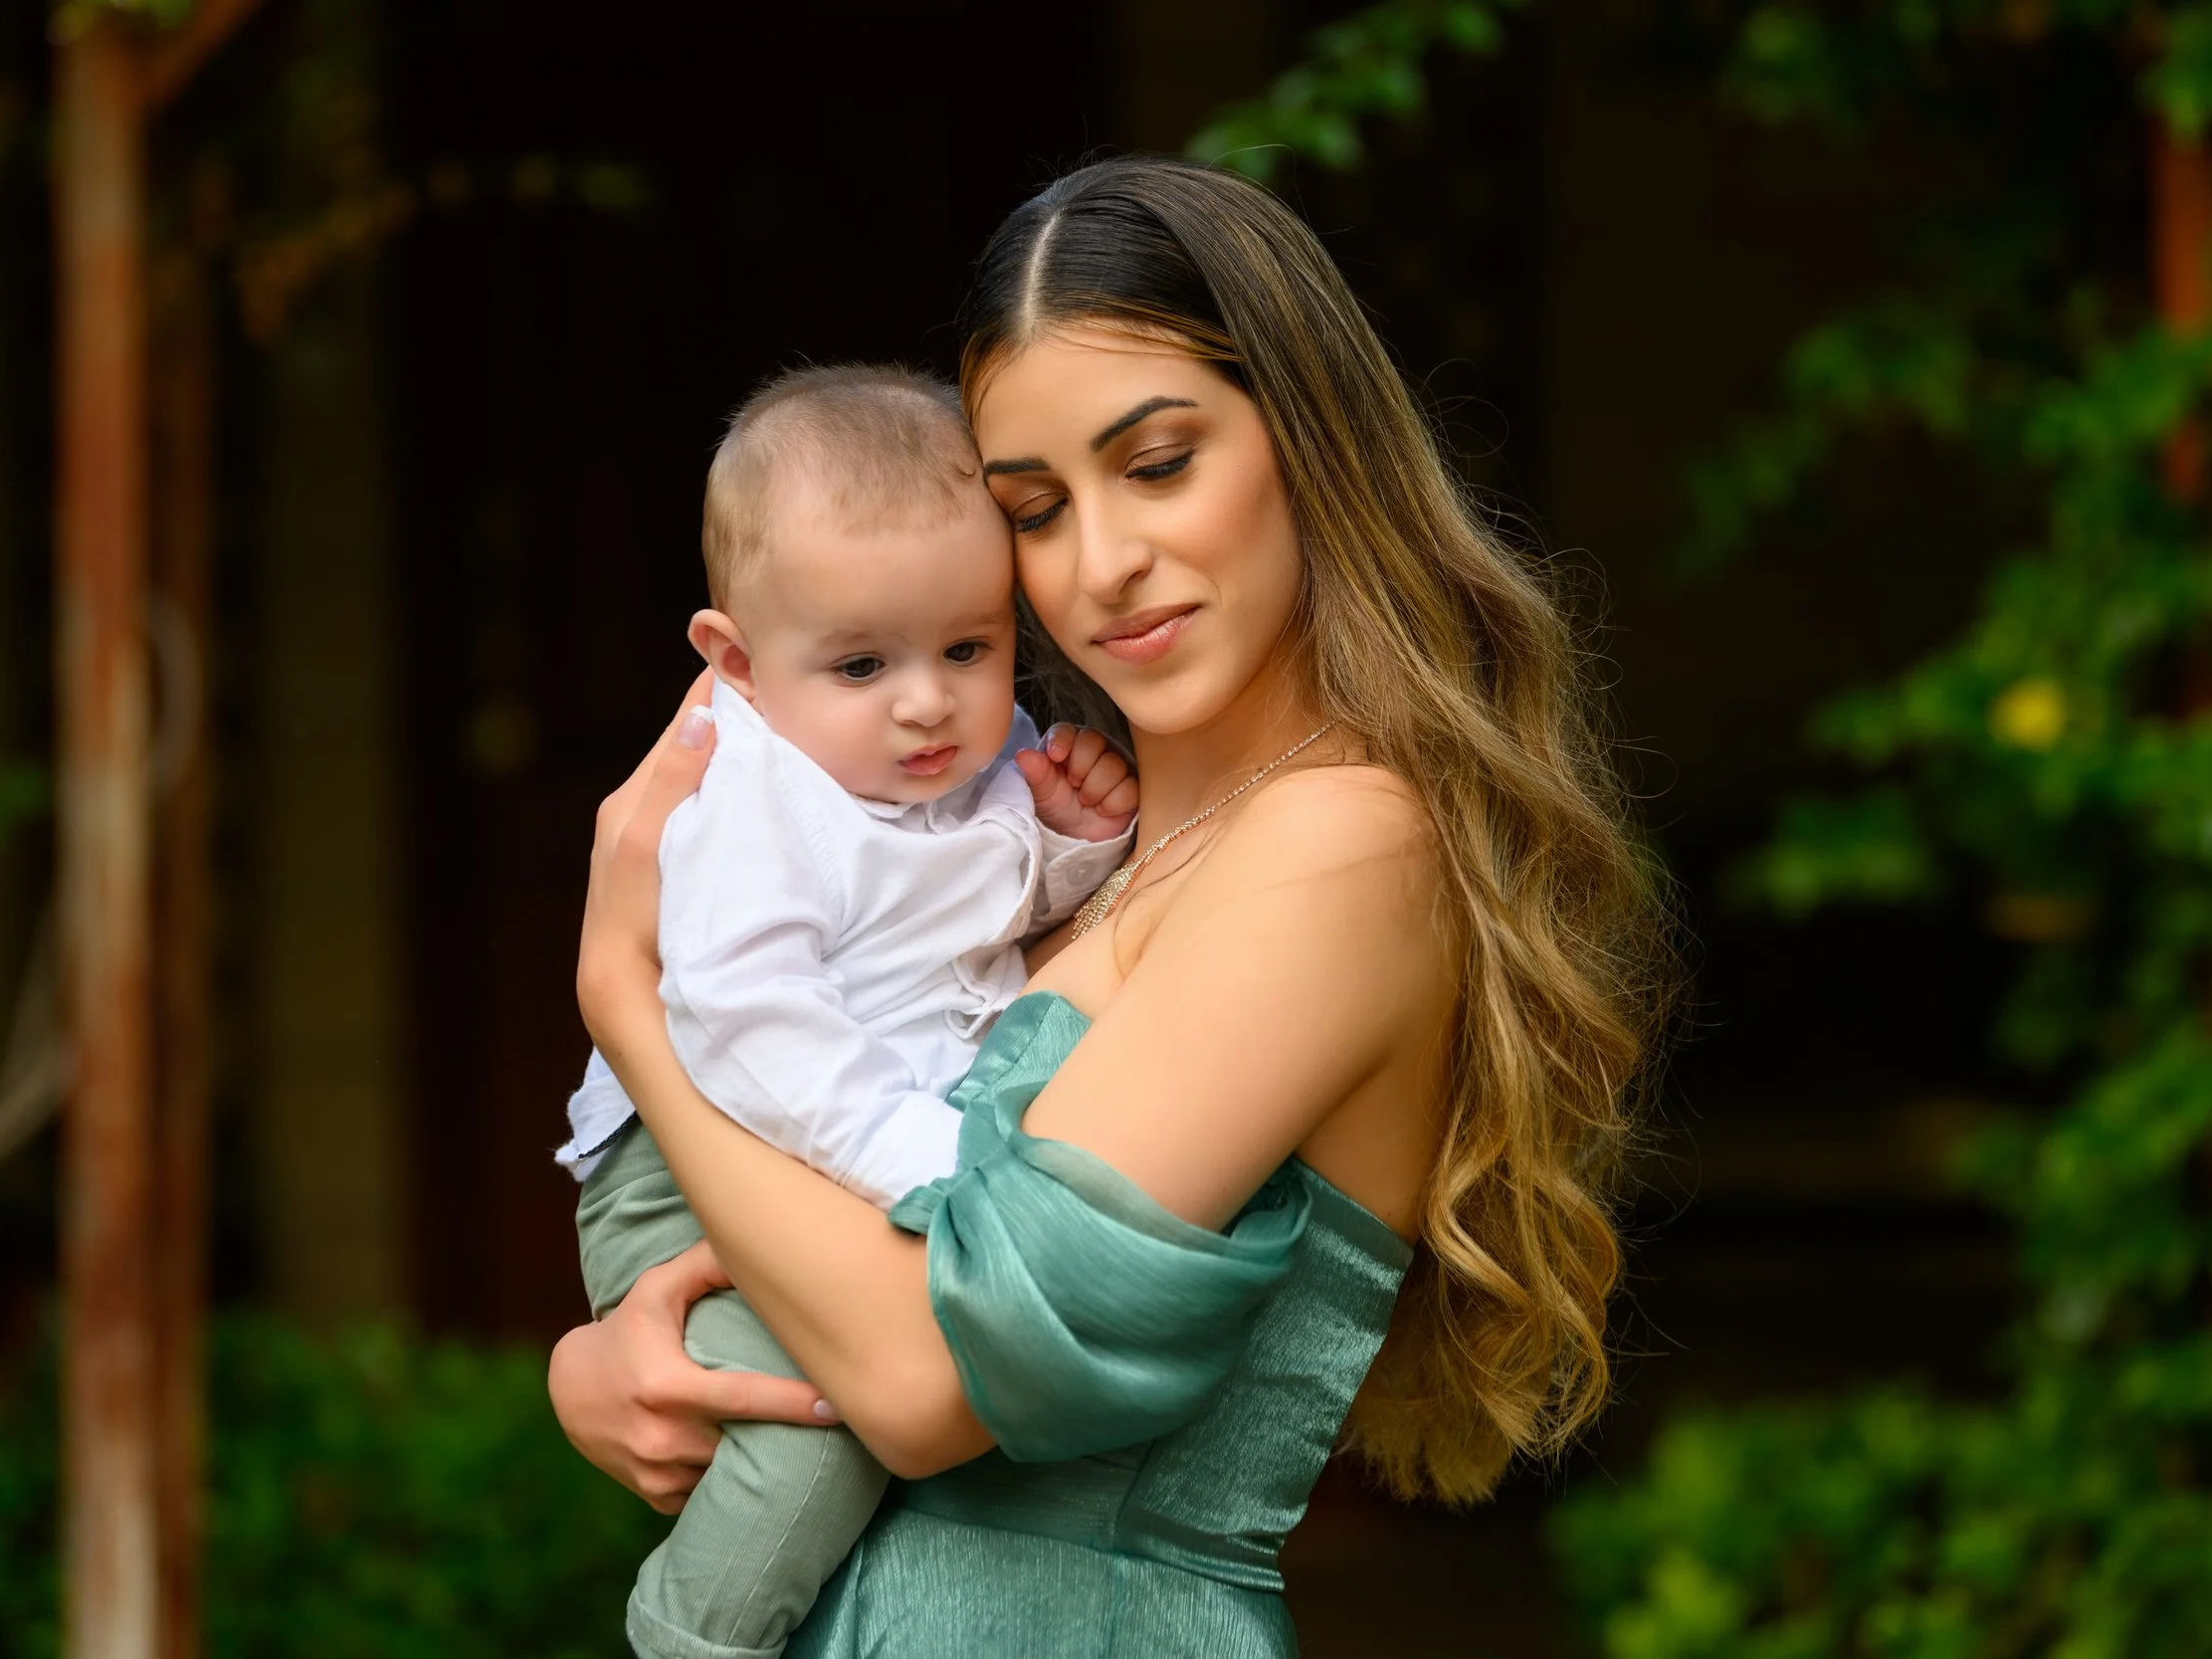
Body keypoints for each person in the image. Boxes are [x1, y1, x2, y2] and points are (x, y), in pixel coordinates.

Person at [551, 154, 1671, 1658]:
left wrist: (627, 993)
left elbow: (928, 1379)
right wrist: (614, 1355)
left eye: (1158, 464)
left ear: (1307, 437)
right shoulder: (1057, 845)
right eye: (1034, 507)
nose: (1104, 563)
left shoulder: (1341, 843)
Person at [552, 364, 1137, 1659]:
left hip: (835, 1145)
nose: (928, 700)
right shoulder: (752, 798)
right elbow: (752, 1021)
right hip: (694, 1163)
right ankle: (688, 1636)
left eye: (969, 648)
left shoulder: (965, 762)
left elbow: (982, 913)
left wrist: (1074, 842)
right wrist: (915, 1165)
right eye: (865, 661)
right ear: (737, 663)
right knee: (815, 1425)